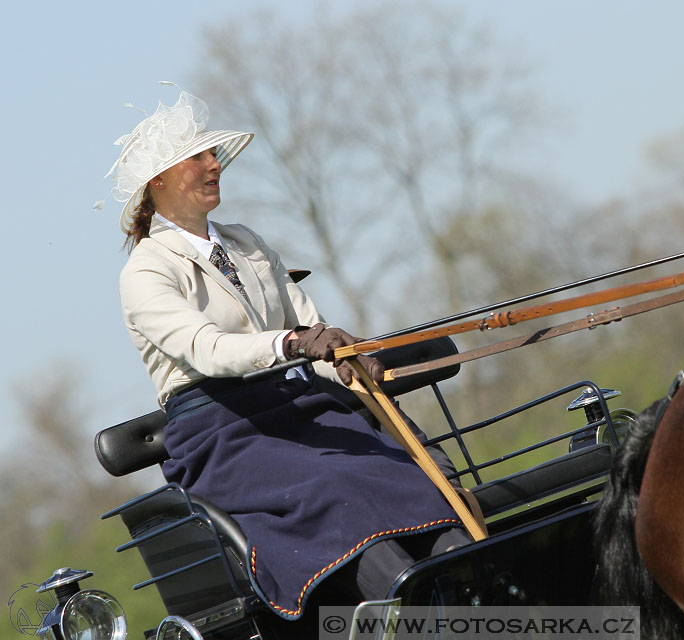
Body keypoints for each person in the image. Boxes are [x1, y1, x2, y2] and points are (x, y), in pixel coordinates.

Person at [106, 85, 469, 619]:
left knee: (410, 463)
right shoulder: (145, 272)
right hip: (222, 431)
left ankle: (466, 591)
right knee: (335, 484)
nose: (214, 165)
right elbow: (206, 349)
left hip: (298, 405)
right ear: (158, 181)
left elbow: (308, 324)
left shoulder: (247, 242)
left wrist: (348, 359)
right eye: (199, 157)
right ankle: (407, 614)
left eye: (214, 155)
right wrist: (293, 343)